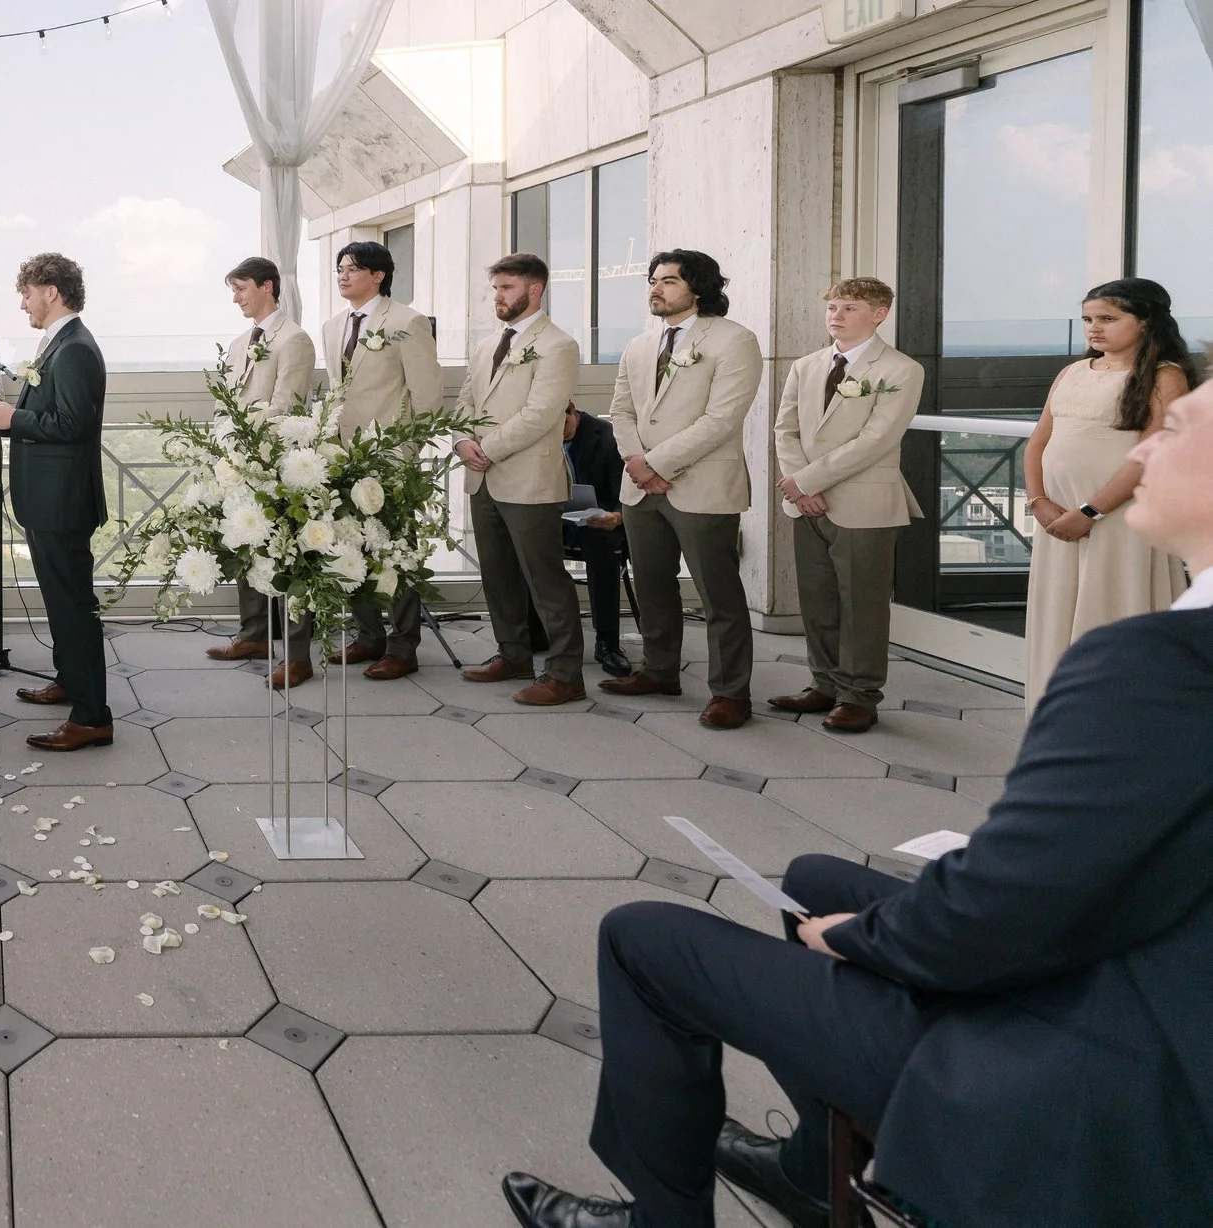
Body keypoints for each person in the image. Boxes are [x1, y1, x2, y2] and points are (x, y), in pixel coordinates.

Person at [499, 376, 1213, 1228]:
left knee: (643, 940)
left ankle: (661, 1221)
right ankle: (810, 1168)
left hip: (1074, 1063)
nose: (1139, 449)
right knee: (812, 875)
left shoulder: (1160, 664)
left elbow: (996, 919)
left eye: (1171, 430)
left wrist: (868, 940)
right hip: (1138, 973)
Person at [601, 250, 765, 730]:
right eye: (653, 280)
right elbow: (621, 410)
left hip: (703, 485)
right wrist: (638, 464)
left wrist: (654, 463)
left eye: (668, 281)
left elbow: (722, 419)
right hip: (641, 489)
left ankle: (732, 693)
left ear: (698, 287)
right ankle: (659, 671)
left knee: (720, 597)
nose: (656, 288)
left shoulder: (736, 341)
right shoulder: (638, 344)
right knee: (652, 587)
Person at [1021, 277, 1196, 710]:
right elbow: (1039, 441)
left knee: (1111, 605)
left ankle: (1111, 717)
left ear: (1144, 322)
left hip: (1116, 517)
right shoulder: (1072, 372)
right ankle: (1056, 716)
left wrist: (1090, 511)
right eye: (1087, 319)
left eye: (1107, 319)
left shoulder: (1164, 376)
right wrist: (1038, 501)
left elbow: (1150, 455)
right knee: (1059, 612)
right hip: (1057, 520)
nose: (1093, 328)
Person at [767, 277, 926, 733]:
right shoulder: (806, 365)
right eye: (832, 307)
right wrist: (801, 487)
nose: (836, 315)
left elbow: (876, 440)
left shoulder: (901, 369)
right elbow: (786, 429)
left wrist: (808, 480)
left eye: (849, 308)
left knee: (862, 603)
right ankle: (824, 684)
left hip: (864, 503)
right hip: (806, 501)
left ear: (879, 314)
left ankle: (859, 695)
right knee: (817, 599)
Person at [0, 253, 114, 751]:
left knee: (73, 605)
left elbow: (72, 424)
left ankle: (91, 717)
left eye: (27, 294)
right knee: (60, 602)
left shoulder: (75, 348)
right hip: (48, 498)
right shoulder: (60, 343)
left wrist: (11, 420)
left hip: (62, 501)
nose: (23, 304)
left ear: (51, 292)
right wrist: (11, 412)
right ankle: (69, 681)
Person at [450, 253, 585, 707]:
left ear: (534, 290)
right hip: (481, 478)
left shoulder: (558, 345)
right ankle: (513, 655)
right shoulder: (488, 344)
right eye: (495, 289)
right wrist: (461, 442)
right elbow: (465, 402)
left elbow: (542, 413)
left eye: (506, 288)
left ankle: (565, 675)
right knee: (498, 575)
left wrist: (488, 448)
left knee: (545, 580)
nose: (497, 296)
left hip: (529, 479)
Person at [316, 241, 442, 678]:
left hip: (389, 455)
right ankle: (368, 635)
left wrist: (406, 451)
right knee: (350, 544)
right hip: (342, 455)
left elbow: (426, 396)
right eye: (339, 268)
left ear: (379, 275)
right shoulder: (333, 326)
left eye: (352, 268)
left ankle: (404, 646)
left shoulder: (407, 321)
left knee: (396, 550)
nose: (342, 275)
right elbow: (337, 390)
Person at [206, 255, 322, 687]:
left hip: (278, 465)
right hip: (237, 464)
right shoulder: (239, 344)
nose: (236, 298)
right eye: (233, 291)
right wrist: (225, 445)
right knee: (244, 543)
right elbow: (226, 401)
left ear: (268, 287)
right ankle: (254, 635)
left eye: (241, 289)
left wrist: (250, 445)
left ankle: (297, 656)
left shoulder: (294, 339)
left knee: (287, 555)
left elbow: (286, 407)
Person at [525, 404, 634, 678]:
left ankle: (607, 641)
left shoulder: (607, 436)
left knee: (601, 547)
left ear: (571, 411)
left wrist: (616, 517)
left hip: (603, 520)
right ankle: (535, 631)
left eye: (561, 429)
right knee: (526, 538)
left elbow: (626, 494)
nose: (557, 437)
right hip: (557, 518)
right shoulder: (540, 438)